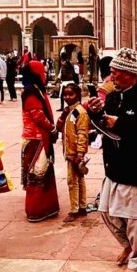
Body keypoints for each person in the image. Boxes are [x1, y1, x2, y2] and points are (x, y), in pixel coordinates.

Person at [84, 48, 137, 272]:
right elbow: (104, 126)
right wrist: (95, 113)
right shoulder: (112, 97)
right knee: (107, 212)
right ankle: (128, 245)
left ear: (129, 74)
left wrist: (120, 122)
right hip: (115, 167)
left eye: (114, 72)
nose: (111, 77)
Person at [21, 59, 60, 222]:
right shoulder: (31, 92)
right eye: (41, 71)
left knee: (44, 174)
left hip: (38, 137)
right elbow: (38, 116)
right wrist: (52, 128)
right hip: (35, 139)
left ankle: (47, 207)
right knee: (38, 174)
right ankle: (35, 210)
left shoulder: (36, 89)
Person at [58, 82, 90, 222]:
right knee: (79, 179)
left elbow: (83, 133)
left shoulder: (79, 112)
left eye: (70, 94)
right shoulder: (70, 111)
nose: (67, 97)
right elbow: (59, 127)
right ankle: (82, 206)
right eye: (65, 94)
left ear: (77, 95)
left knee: (73, 181)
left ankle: (74, 209)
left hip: (75, 152)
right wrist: (63, 115)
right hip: (71, 151)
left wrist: (80, 153)